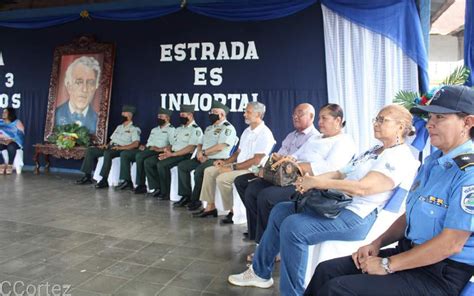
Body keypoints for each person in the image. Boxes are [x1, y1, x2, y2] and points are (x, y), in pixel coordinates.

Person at [228, 104, 420, 296]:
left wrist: (317, 182)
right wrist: (310, 180)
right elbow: (340, 172)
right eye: (376, 119)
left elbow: (363, 188)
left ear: (401, 127)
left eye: (382, 120)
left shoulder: (399, 157)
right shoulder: (374, 150)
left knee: (293, 227)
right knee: (280, 211)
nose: (376, 124)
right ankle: (260, 273)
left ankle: (293, 293)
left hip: (357, 216)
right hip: (337, 205)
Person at [305, 85, 474, 296]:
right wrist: (377, 243)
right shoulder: (433, 162)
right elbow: (411, 215)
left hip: (440, 272)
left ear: (467, 122)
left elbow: (451, 244)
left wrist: (387, 264)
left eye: (440, 117)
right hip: (410, 253)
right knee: (327, 271)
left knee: (338, 290)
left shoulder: (468, 172)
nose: (430, 124)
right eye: (430, 117)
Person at [245, 104, 356, 242]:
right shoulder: (315, 138)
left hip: (312, 184)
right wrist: (285, 159)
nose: (319, 122)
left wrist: (298, 166)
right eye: (319, 118)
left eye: (324, 118)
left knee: (266, 196)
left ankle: (270, 245)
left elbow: (330, 168)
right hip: (291, 176)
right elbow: (296, 155)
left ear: (338, 121)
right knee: (253, 188)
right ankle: (260, 238)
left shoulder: (344, 141)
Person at [233, 103, 320, 228]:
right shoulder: (291, 136)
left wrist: (283, 162)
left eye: (300, 113)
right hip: (277, 174)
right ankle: (258, 227)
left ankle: (265, 229)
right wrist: (265, 169)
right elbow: (276, 156)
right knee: (243, 182)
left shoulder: (315, 138)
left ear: (311, 116)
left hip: (293, 180)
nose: (295, 116)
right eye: (294, 114)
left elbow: (302, 165)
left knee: (264, 194)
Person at [194, 101, 275, 219]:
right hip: (240, 165)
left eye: (248, 112)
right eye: (245, 111)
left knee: (223, 178)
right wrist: (226, 162)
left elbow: (257, 160)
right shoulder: (247, 131)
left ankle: (233, 211)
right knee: (210, 171)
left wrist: (232, 167)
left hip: (254, 169)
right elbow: (238, 152)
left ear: (258, 115)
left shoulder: (265, 134)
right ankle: (210, 207)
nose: (244, 114)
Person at [177, 100, 238, 211]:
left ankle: (196, 201)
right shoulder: (209, 128)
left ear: (222, 114)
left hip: (218, 158)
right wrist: (200, 152)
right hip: (203, 156)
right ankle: (186, 195)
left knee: (199, 172)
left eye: (214, 112)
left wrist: (205, 153)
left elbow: (221, 146)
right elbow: (200, 143)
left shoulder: (228, 128)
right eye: (211, 112)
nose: (211, 114)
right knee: (182, 166)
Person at [146, 104, 203, 200]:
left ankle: (178, 195)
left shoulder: (196, 130)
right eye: (180, 115)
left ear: (190, 115)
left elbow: (191, 148)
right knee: (153, 161)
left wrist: (172, 154)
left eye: (183, 115)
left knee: (162, 165)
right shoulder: (179, 129)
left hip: (185, 155)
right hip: (174, 153)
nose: (181, 117)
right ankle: (160, 189)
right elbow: (173, 144)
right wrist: (167, 150)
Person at [75, 105, 140, 188]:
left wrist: (120, 148)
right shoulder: (119, 127)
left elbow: (135, 144)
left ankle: (104, 180)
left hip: (121, 149)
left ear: (130, 115)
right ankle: (87, 176)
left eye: (124, 113)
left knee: (108, 153)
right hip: (112, 147)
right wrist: (106, 145)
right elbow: (112, 140)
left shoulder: (134, 129)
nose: (121, 114)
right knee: (90, 150)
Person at [117, 108, 175, 192]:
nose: (159, 118)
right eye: (158, 116)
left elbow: (172, 145)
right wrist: (143, 146)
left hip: (159, 151)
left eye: (161, 117)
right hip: (148, 149)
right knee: (125, 154)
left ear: (167, 118)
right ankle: (127, 181)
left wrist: (160, 149)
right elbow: (149, 143)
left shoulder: (172, 130)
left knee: (140, 156)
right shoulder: (154, 129)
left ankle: (141, 185)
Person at [55, 56, 100, 133]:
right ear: (69, 86)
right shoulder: (55, 115)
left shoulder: (99, 121)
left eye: (90, 83)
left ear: (95, 87)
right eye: (79, 82)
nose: (84, 89)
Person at [0, 107, 24, 174]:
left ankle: (10, 165)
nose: (3, 113)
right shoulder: (0, 122)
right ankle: (1, 164)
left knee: (11, 146)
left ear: (10, 113)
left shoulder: (17, 122)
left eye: (5, 112)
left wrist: (12, 140)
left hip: (15, 142)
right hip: (2, 141)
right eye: (3, 112)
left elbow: (21, 134)